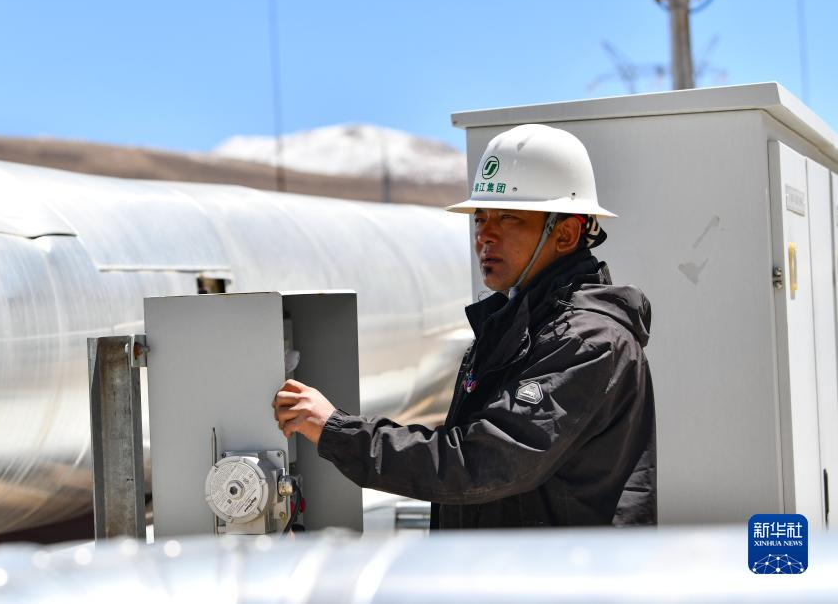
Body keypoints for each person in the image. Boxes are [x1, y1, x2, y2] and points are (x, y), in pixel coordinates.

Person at [272, 123, 656, 528]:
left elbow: (481, 463)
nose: (484, 235)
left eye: (508, 218)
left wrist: (337, 431)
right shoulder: (521, 328)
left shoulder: (586, 342)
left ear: (566, 234)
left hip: (560, 569)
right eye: (480, 218)